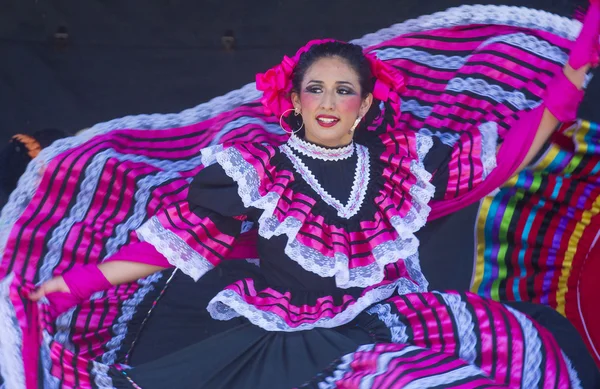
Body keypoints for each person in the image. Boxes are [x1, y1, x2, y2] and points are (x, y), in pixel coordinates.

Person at [1, 3, 600, 388]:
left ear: (365, 105)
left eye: (344, 90)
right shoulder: (257, 171)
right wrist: (74, 286)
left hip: (394, 323)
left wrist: (573, 74)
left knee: (498, 363)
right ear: (293, 101)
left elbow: (507, 157)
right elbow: (175, 245)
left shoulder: (403, 166)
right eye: (316, 89)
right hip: (292, 344)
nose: (329, 101)